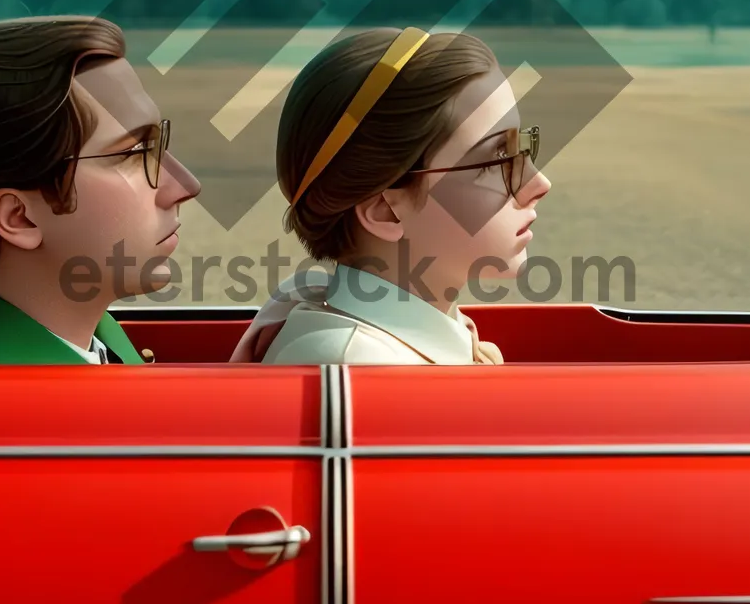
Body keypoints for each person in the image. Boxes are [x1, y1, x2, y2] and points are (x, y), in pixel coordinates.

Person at [0, 16, 200, 364]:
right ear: (19, 217)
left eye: (155, 143)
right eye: (134, 153)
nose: (184, 186)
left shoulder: (91, 334)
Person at [231, 26, 551, 365]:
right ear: (384, 209)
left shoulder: (403, 345)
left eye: (520, 148)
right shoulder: (360, 367)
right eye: (498, 158)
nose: (538, 183)